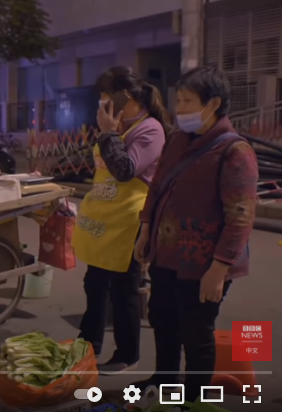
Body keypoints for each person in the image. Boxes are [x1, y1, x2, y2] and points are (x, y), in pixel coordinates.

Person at [132, 66, 258, 401]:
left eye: (187, 101)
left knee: (196, 331)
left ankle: (194, 400)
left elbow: (241, 216)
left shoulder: (234, 151)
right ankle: (164, 381)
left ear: (212, 103)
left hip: (204, 262)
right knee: (163, 318)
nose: (180, 109)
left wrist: (219, 269)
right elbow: (157, 187)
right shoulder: (177, 139)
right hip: (166, 253)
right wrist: (146, 231)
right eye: (178, 101)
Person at [71, 66, 170, 374]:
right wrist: (109, 132)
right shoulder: (120, 127)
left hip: (129, 222)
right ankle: (88, 344)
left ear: (125, 98)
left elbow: (125, 169)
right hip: (105, 221)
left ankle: (128, 354)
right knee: (94, 284)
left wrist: (108, 133)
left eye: (107, 97)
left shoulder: (150, 130)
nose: (103, 104)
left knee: (124, 290)